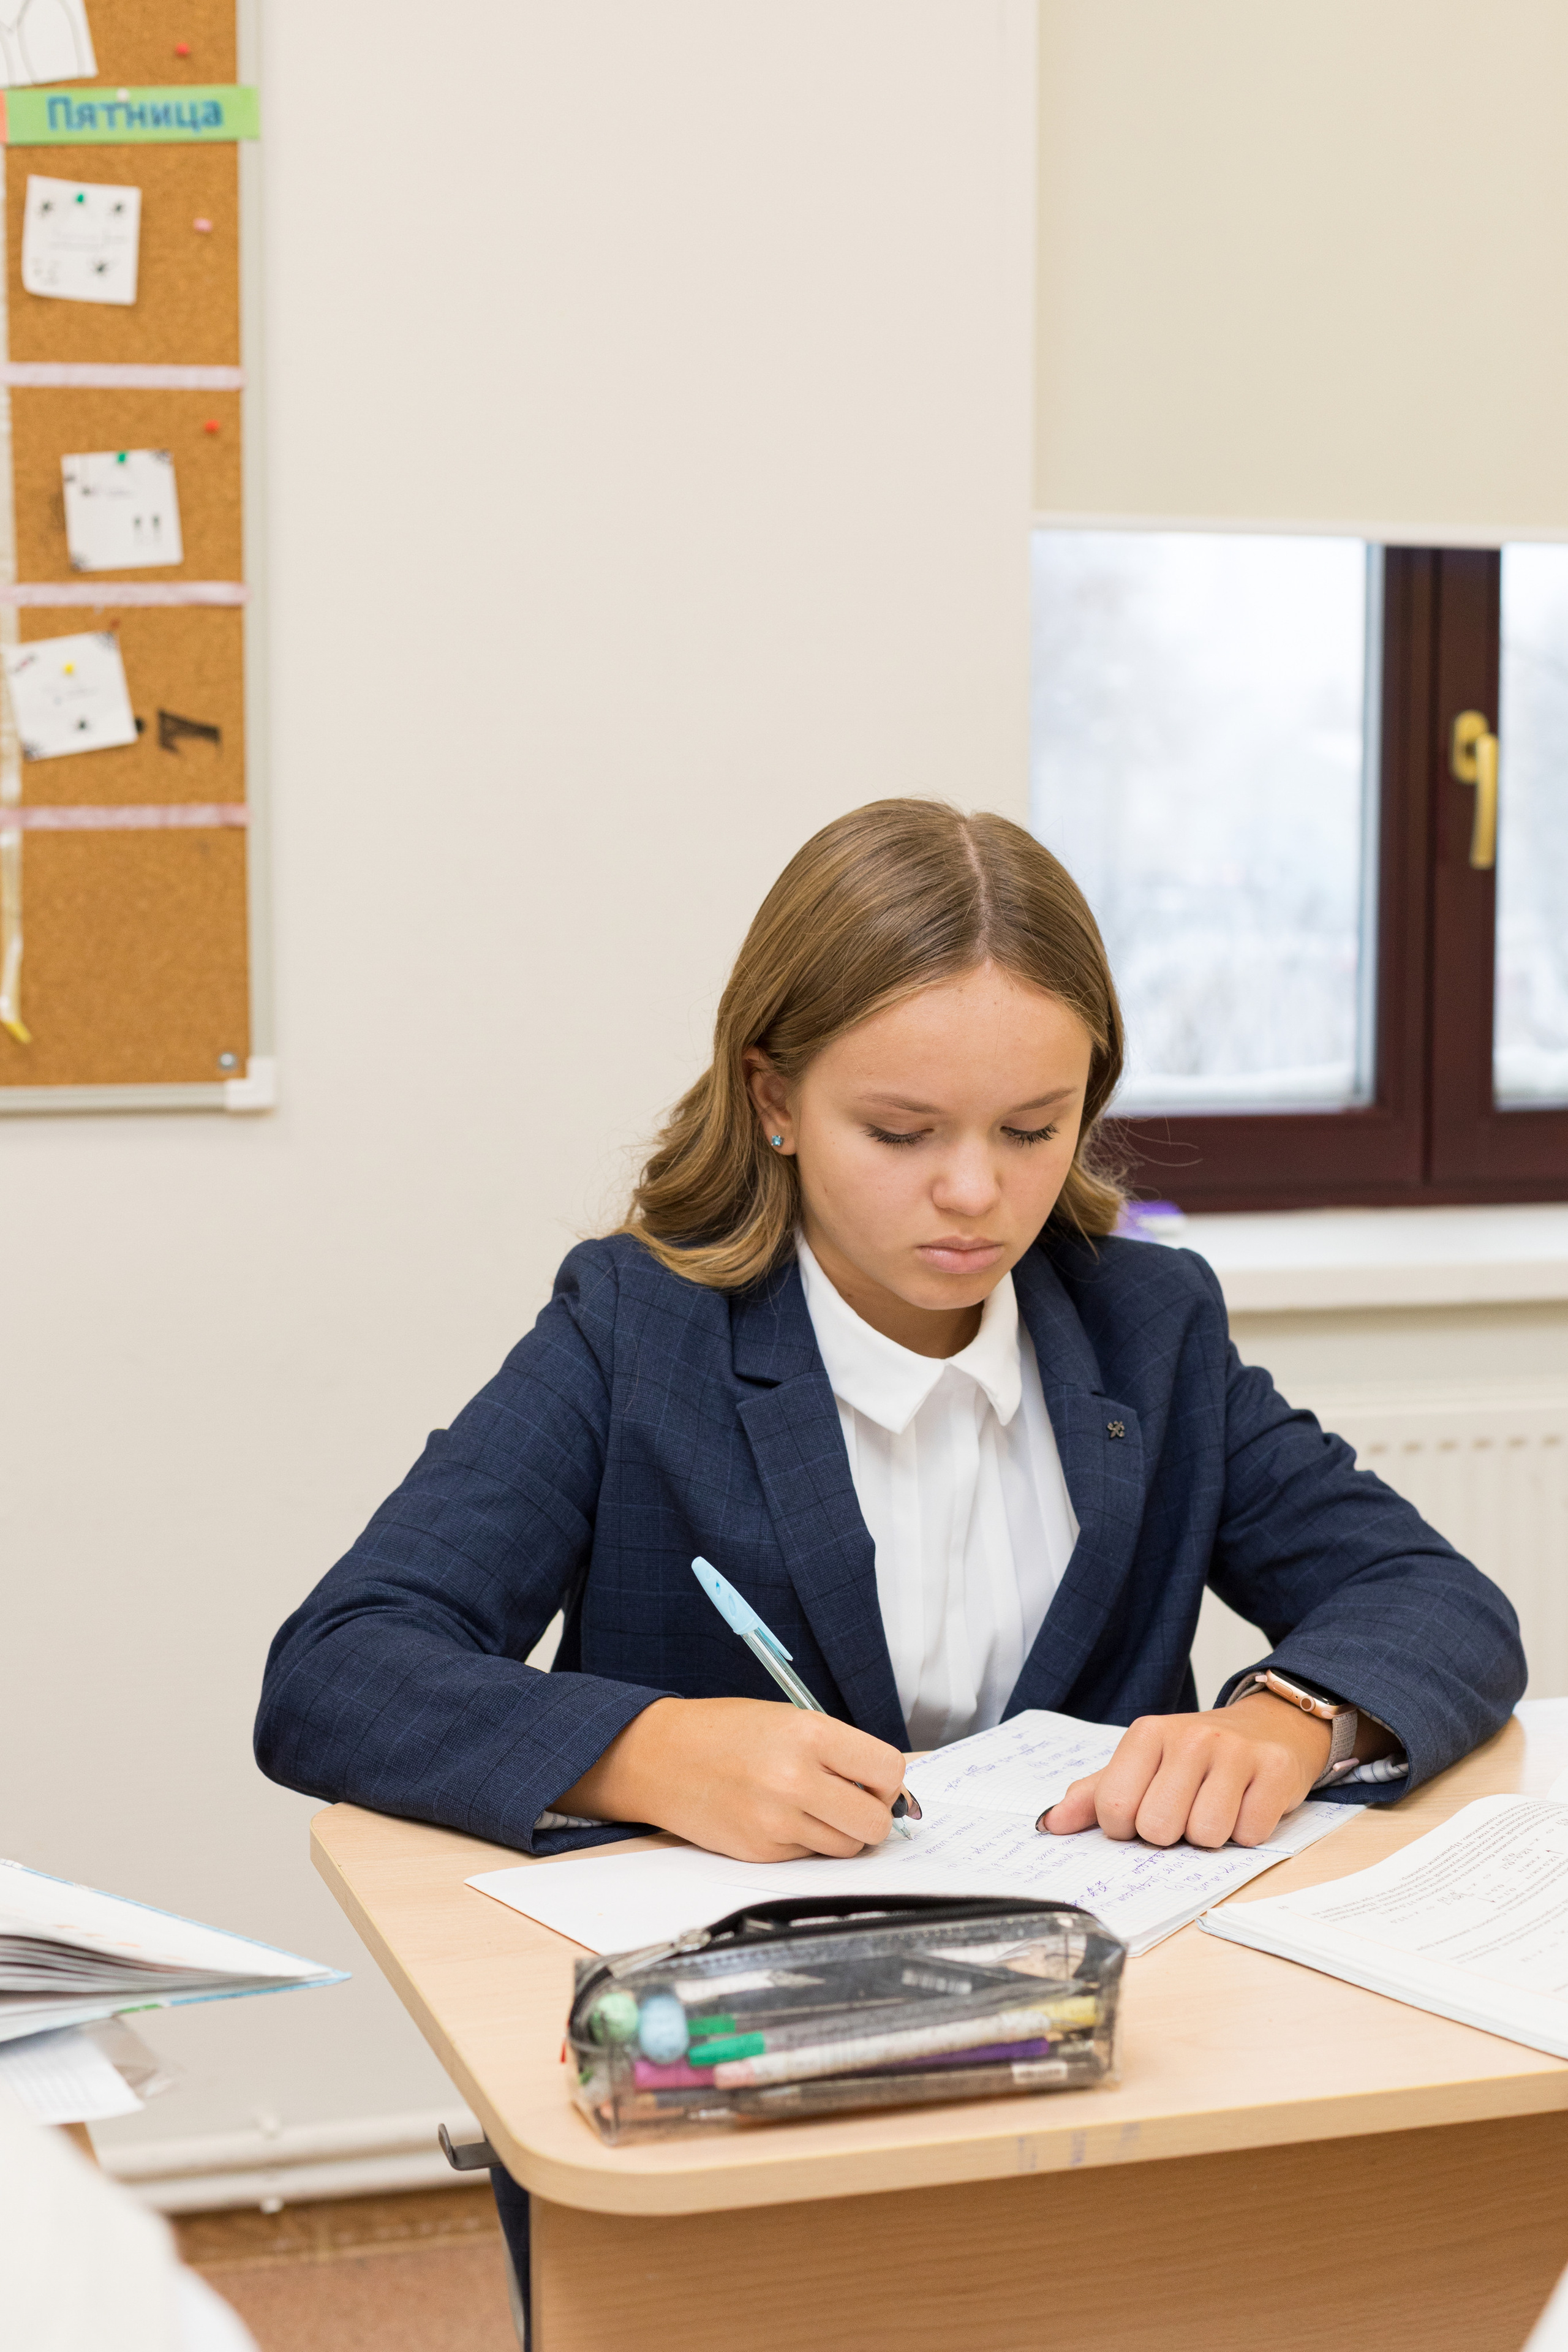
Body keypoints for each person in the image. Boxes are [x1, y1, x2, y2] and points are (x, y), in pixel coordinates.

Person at [255, 798, 1525, 2314]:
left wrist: (1288, 1716)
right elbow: (337, 1669)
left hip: (1103, 2067)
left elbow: (1437, 1602)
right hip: (743, 2079)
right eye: (901, 1133)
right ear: (774, 1099)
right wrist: (644, 1750)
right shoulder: (635, 1334)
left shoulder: (1149, 1329)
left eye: (1032, 1129)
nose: (975, 1194)